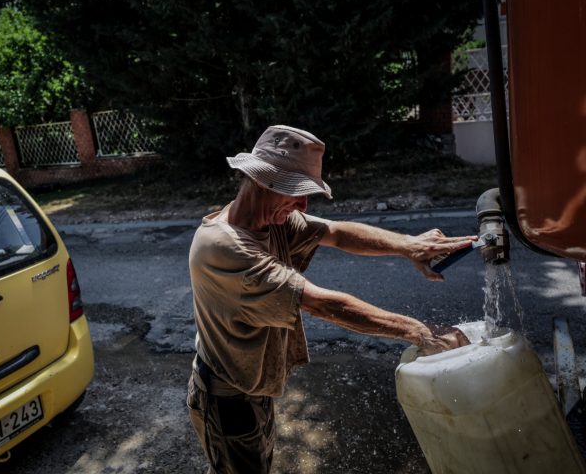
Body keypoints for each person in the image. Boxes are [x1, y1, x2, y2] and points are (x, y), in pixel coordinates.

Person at [187, 125, 473, 474]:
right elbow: (322, 303)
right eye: (296, 192)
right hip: (227, 396)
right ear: (263, 182)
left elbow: (336, 233)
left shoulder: (269, 217)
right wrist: (420, 332)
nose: (304, 205)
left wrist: (408, 246)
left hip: (252, 386)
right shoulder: (226, 247)